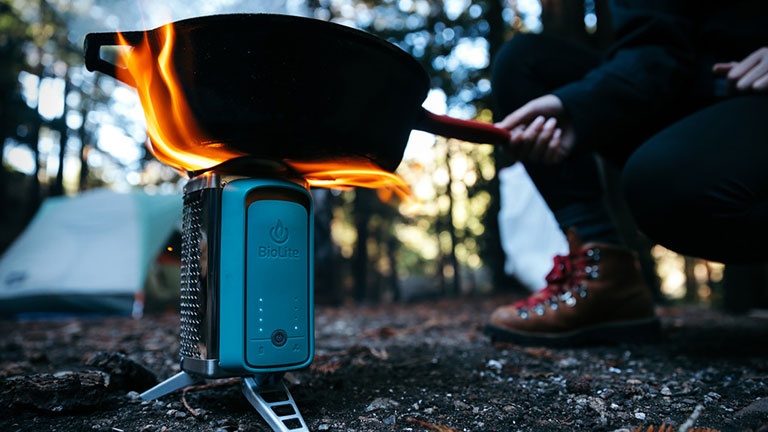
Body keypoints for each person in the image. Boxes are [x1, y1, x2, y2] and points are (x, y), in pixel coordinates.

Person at [484, 0, 768, 346]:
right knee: (524, 61)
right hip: (697, 92)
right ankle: (608, 281)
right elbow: (654, 46)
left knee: (668, 182)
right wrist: (575, 105)